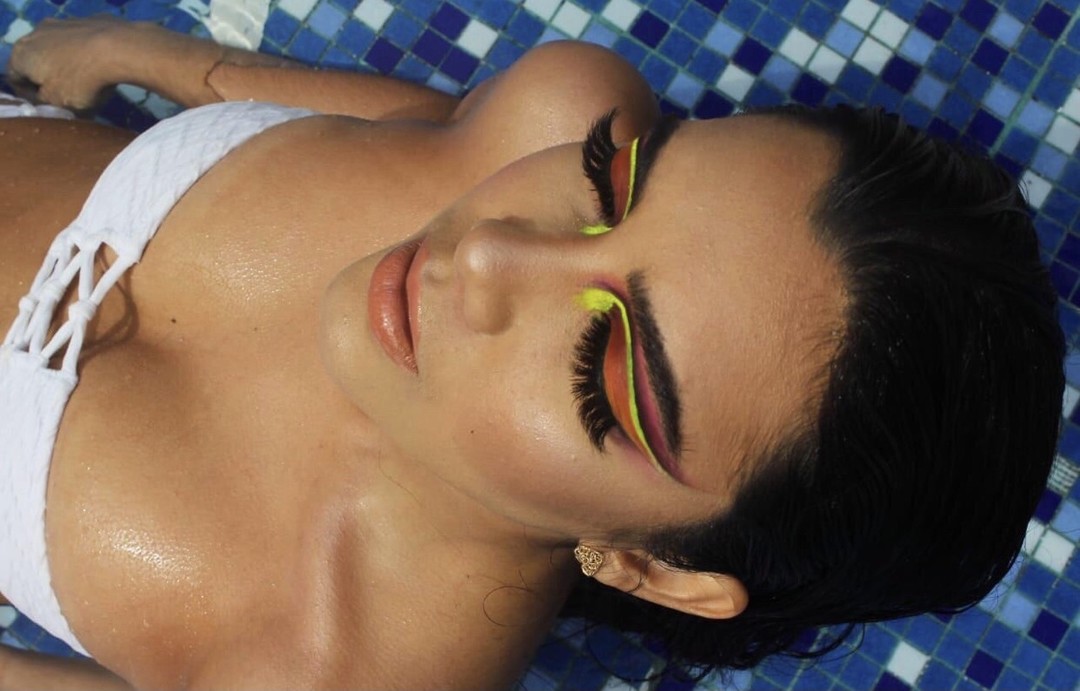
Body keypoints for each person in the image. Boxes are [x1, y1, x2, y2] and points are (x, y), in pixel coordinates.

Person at [0, 16, 1063, 689]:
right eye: (613, 183)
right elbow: (426, 128)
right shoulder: (554, 115)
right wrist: (151, 58)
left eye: (602, 372)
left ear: (651, 565)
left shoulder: (336, 668)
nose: (491, 252)